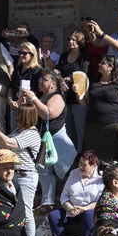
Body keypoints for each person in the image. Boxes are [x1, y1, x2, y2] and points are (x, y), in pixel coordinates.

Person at [0, 106, 42, 236]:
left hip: (26, 176)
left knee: (26, 211)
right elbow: (3, 143)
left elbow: (10, 143)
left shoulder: (32, 134)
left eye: (19, 115)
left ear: (26, 117)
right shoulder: (19, 131)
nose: (16, 117)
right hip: (14, 175)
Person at [27, 71, 78, 210]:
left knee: (63, 170)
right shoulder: (38, 96)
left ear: (53, 84)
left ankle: (68, 201)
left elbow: (48, 114)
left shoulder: (57, 97)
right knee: (44, 170)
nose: (40, 81)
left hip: (56, 140)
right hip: (42, 140)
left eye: (45, 79)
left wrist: (33, 99)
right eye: (40, 78)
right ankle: (47, 202)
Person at [48, 151, 103, 236]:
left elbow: (100, 201)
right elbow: (64, 195)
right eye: (80, 163)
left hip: (88, 211)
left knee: (89, 215)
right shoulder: (74, 173)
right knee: (53, 216)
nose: (81, 167)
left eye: (84, 164)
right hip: (72, 210)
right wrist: (69, 207)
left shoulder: (100, 178)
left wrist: (85, 208)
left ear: (93, 165)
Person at [80, 53, 118, 165]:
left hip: (112, 126)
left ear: (111, 67)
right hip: (93, 126)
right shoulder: (93, 82)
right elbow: (86, 103)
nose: (99, 64)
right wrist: (77, 94)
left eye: (102, 63)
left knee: (111, 160)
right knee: (91, 158)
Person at [55, 31, 90, 149]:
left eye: (74, 40)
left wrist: (67, 79)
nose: (71, 42)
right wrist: (60, 80)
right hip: (64, 96)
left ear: (80, 42)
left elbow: (83, 74)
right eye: (70, 39)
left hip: (78, 96)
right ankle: (68, 152)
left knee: (80, 126)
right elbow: (58, 72)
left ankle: (81, 151)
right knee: (66, 126)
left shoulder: (84, 57)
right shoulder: (64, 56)